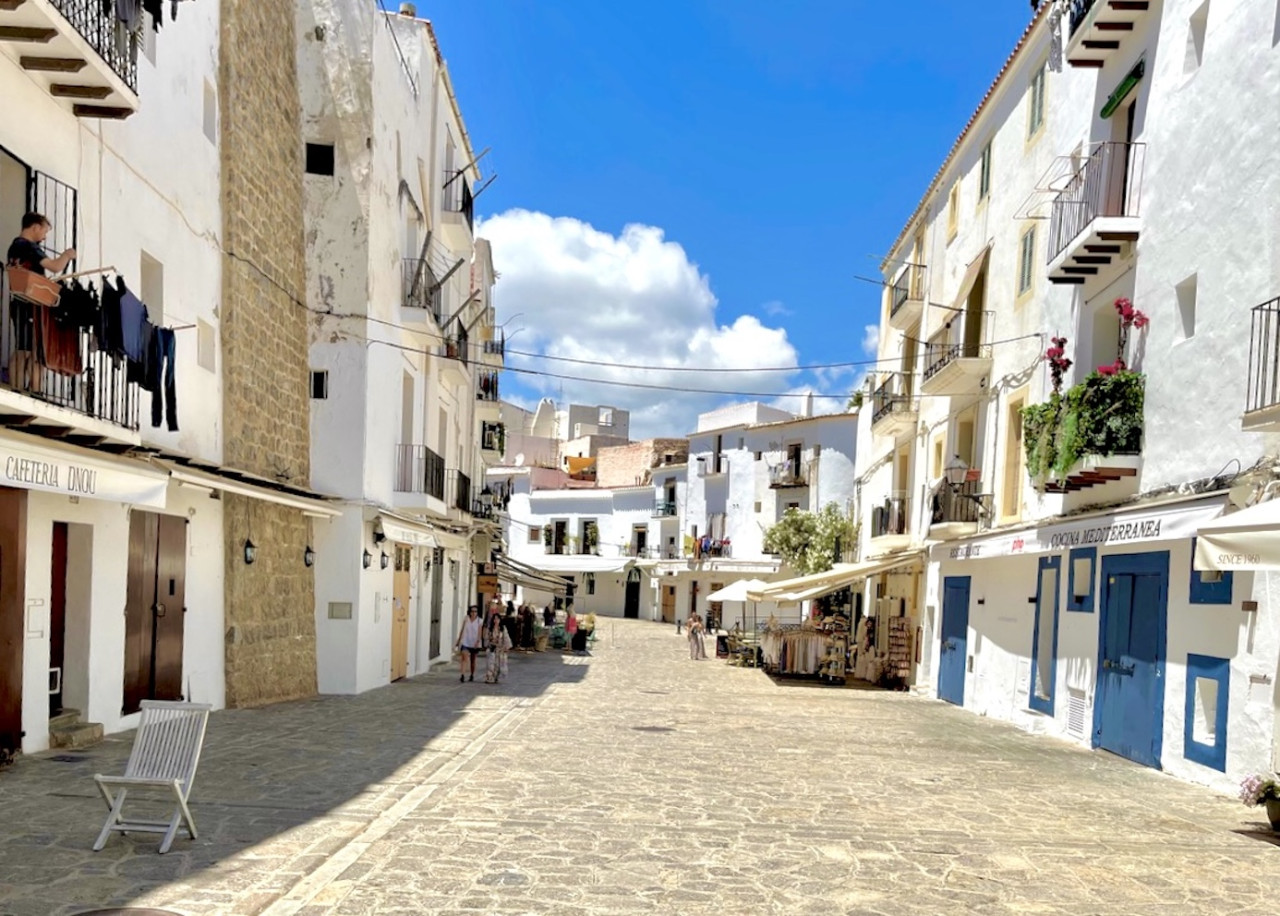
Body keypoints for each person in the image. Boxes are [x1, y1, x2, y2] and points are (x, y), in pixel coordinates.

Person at [7, 212, 75, 276]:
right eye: (45, 232)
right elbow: (55, 267)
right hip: (32, 284)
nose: (45, 237)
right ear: (36, 228)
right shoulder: (30, 247)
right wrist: (67, 255)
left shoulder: (14, 246)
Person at [455, 606, 483, 682]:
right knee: (464, 658)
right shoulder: (466, 619)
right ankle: (462, 675)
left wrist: (478, 641)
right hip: (465, 641)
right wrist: (458, 640)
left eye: (475, 611)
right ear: (469, 612)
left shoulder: (479, 621)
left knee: (473, 660)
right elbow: (462, 629)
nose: (473, 613)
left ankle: (472, 674)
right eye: (472, 611)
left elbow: (480, 632)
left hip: (474, 643)